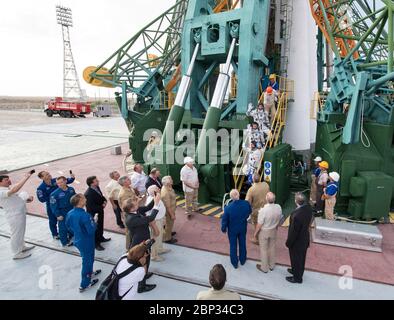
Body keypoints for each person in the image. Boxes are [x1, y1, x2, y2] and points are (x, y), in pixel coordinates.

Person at [125, 193, 161, 293]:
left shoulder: (135, 211)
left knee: (147, 260)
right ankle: (141, 286)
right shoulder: (132, 219)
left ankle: (144, 274)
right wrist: (157, 204)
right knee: (143, 262)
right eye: (135, 204)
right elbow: (151, 218)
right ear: (131, 209)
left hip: (143, 238)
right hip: (140, 243)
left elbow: (147, 207)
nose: (138, 203)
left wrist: (155, 198)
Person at [66, 194, 101, 292]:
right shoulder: (85, 215)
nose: (86, 199)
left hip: (78, 239)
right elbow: (91, 230)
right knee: (87, 261)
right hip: (87, 241)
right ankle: (85, 283)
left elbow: (68, 226)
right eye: (84, 199)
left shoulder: (70, 213)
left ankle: (90, 273)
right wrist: (95, 221)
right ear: (80, 202)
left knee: (88, 259)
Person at [0, 173, 35, 260]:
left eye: (8, 179)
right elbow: (14, 190)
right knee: (16, 234)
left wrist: (27, 199)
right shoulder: (1, 191)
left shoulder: (7, 188)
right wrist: (25, 177)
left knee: (21, 232)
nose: (9, 180)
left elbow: (16, 199)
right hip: (14, 216)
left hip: (19, 213)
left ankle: (22, 247)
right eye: (6, 180)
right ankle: (16, 253)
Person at [36, 171, 75, 239]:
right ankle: (55, 234)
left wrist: (72, 178)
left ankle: (69, 232)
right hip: (51, 206)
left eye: (48, 173)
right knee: (53, 220)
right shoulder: (41, 188)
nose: (49, 174)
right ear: (42, 178)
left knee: (65, 219)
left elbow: (67, 181)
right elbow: (41, 199)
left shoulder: (56, 180)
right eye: (47, 174)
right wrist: (53, 197)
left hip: (61, 205)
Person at [285, 193, 313, 284]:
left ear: (296, 202)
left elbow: (294, 232)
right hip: (304, 238)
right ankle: (296, 270)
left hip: (297, 242)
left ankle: (297, 278)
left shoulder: (297, 216)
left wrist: (288, 242)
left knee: (296, 259)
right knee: (301, 258)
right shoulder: (308, 209)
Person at [221, 189, 252, 269]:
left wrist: (223, 229)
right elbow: (249, 212)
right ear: (238, 195)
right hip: (242, 228)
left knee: (233, 246)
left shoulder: (228, 208)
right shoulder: (246, 204)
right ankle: (242, 260)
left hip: (232, 230)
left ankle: (234, 263)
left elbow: (224, 220)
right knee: (242, 243)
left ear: (231, 198)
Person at [254, 192, 283, 273]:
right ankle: (272, 265)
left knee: (264, 249)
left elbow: (259, 224)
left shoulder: (263, 210)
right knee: (272, 248)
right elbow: (279, 218)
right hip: (274, 230)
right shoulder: (278, 207)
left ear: (266, 199)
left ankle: (264, 268)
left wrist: (255, 233)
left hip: (264, 232)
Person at [84, 176, 110, 251]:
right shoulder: (88, 194)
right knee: (95, 229)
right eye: (96, 181)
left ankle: (101, 238)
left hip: (99, 211)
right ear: (91, 184)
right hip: (94, 214)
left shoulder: (97, 187)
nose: (98, 181)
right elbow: (91, 207)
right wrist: (102, 206)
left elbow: (100, 196)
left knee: (100, 225)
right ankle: (96, 244)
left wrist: (104, 200)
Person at [145, 185, 169, 262]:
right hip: (156, 222)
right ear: (154, 192)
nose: (159, 189)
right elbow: (150, 214)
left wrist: (163, 218)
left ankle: (160, 249)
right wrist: (154, 225)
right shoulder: (151, 200)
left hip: (160, 219)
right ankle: (154, 256)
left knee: (160, 235)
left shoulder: (155, 197)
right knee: (155, 238)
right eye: (157, 189)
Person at [50, 176, 76, 247]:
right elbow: (53, 206)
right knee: (63, 228)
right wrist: (57, 215)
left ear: (65, 181)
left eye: (61, 182)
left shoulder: (71, 189)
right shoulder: (54, 194)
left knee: (73, 224)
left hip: (71, 210)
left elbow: (75, 199)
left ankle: (72, 235)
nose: (60, 184)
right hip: (62, 212)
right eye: (58, 183)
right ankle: (64, 242)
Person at [245, 173, 270, 244]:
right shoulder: (265, 185)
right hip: (266, 209)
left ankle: (257, 239)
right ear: (259, 178)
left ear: (252, 179)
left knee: (257, 224)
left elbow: (248, 203)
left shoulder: (251, 190)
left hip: (256, 211)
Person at [161, 176, 177, 244]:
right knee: (168, 224)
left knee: (170, 224)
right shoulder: (166, 192)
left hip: (172, 208)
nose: (172, 180)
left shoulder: (168, 187)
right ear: (168, 183)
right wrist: (172, 215)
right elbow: (168, 206)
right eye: (171, 180)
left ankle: (169, 233)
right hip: (169, 211)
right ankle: (167, 238)